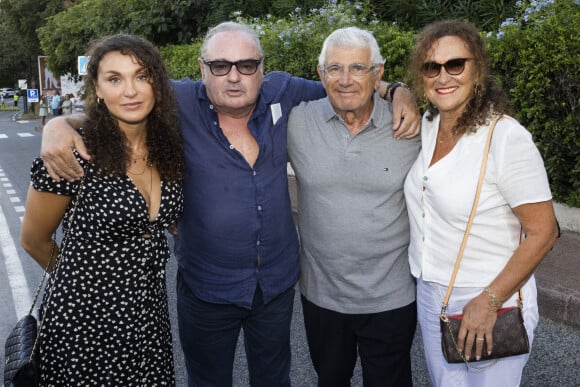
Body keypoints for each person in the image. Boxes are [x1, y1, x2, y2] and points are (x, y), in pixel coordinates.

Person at [39, 22, 420, 387]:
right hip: (206, 287)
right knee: (208, 381)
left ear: (262, 70)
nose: (234, 76)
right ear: (203, 69)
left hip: (273, 287)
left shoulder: (283, 92)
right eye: (221, 66)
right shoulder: (178, 101)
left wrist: (397, 90)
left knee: (274, 380)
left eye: (247, 65)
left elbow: (345, 83)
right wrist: (62, 125)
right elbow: (123, 102)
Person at [20, 33, 184, 385]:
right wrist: (86, 284)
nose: (130, 90)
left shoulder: (168, 147)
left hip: (148, 317)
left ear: (157, 83)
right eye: (114, 79)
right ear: (97, 89)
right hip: (84, 324)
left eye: (142, 76)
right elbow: (33, 240)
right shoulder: (74, 154)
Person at [403, 20, 559, 386]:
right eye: (431, 67)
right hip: (430, 292)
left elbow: (544, 232)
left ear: (478, 70)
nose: (443, 76)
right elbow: (370, 85)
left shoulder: (506, 137)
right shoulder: (427, 124)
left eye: (455, 64)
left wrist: (489, 301)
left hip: (489, 297)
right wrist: (394, 91)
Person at [287, 27, 420, 387]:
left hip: (391, 296)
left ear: (378, 73)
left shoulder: (411, 124)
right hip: (321, 296)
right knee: (330, 380)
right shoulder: (297, 120)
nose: (345, 80)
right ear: (320, 74)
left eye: (358, 69)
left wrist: (401, 91)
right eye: (334, 69)